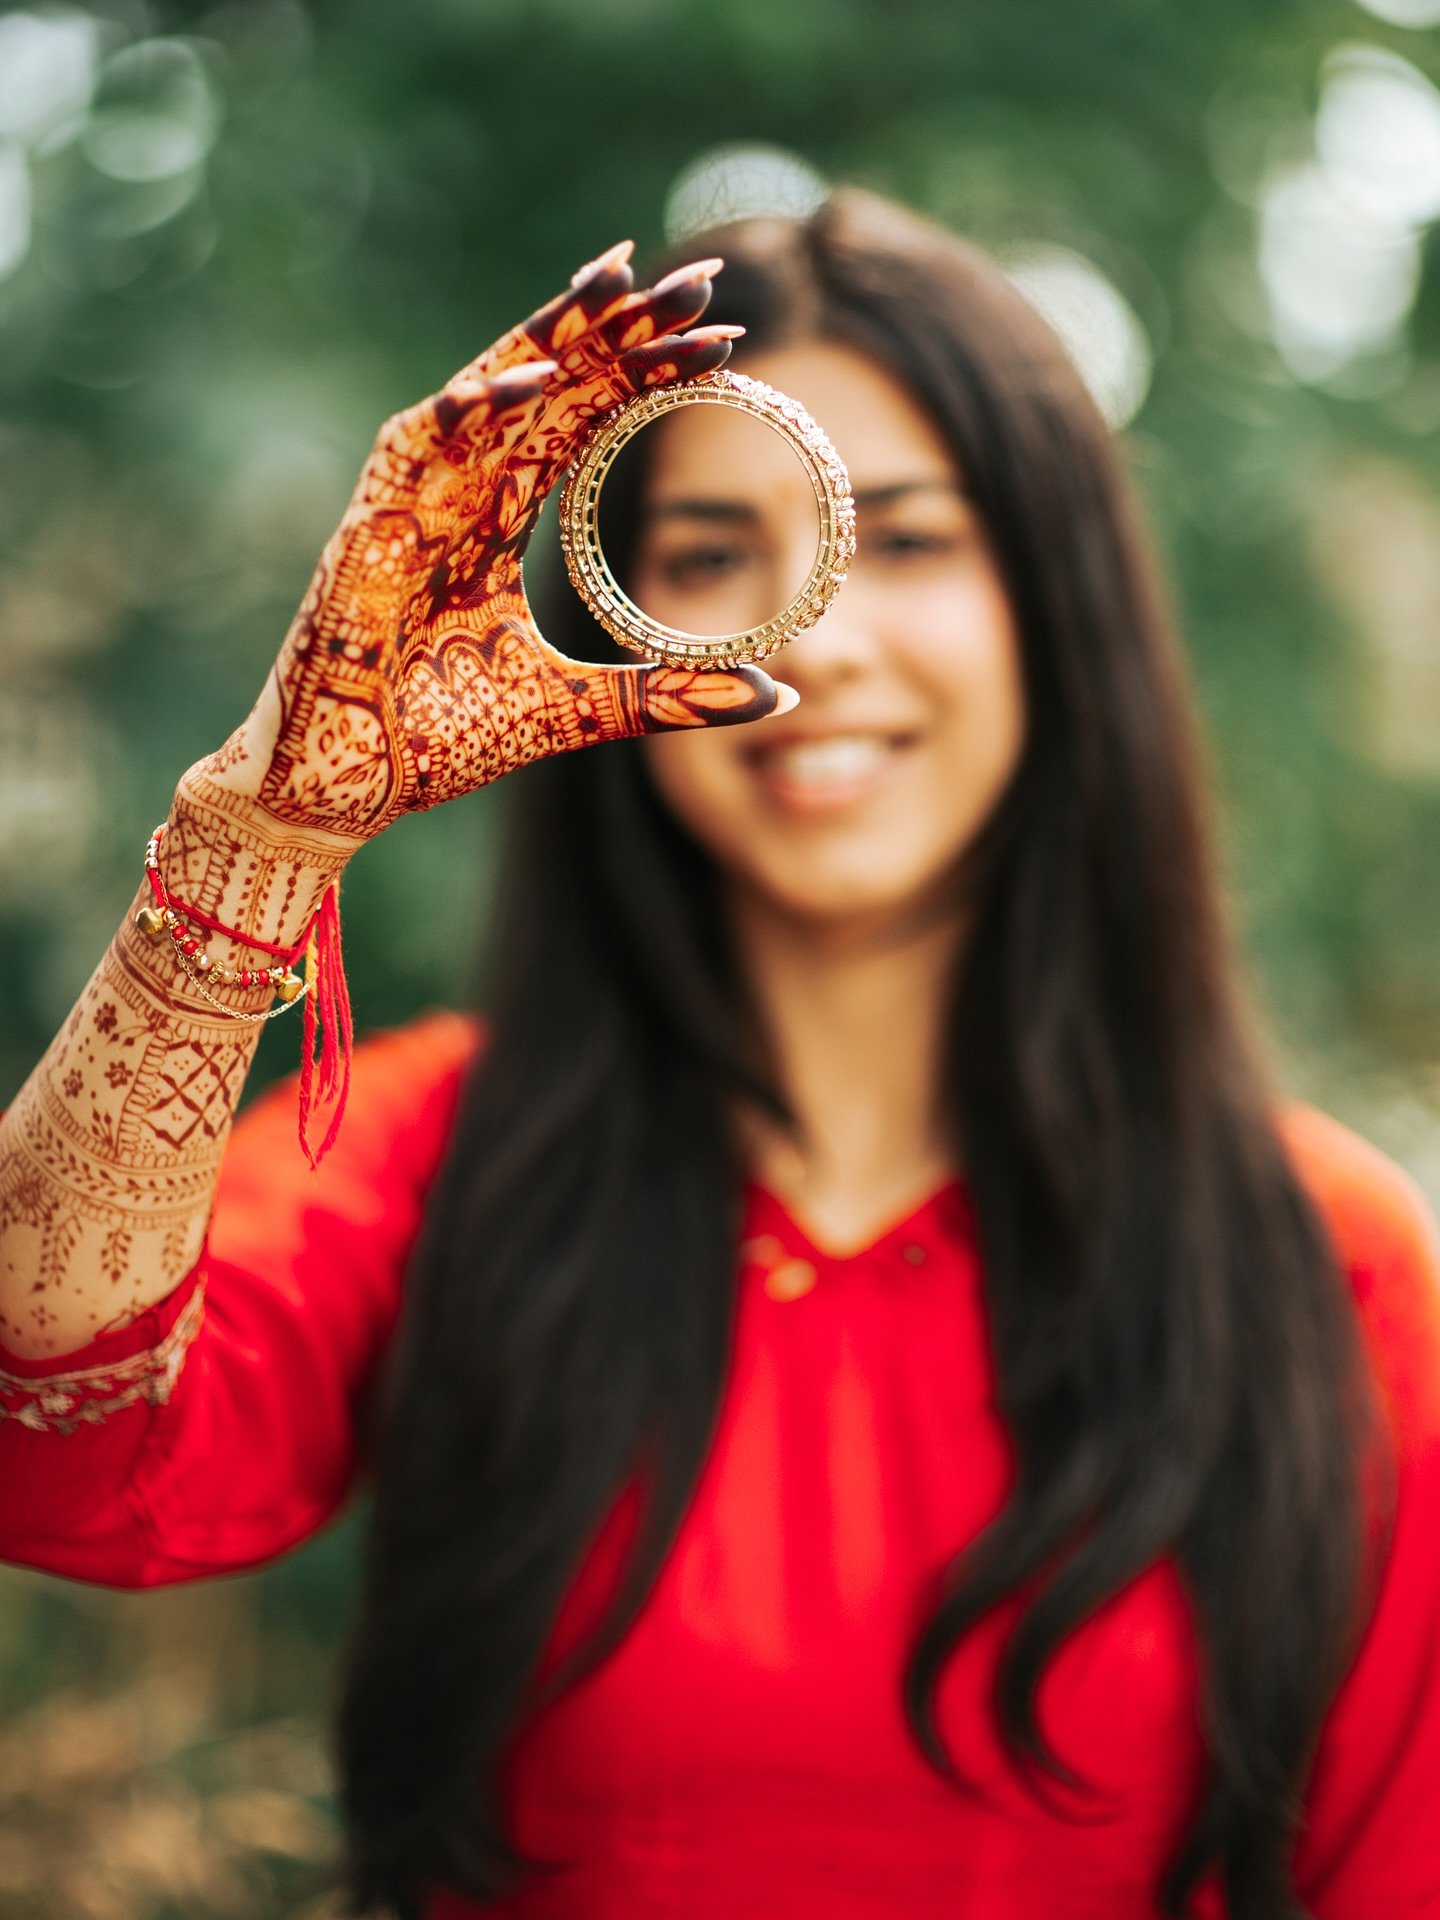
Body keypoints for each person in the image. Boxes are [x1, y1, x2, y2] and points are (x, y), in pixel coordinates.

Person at [0, 188, 1437, 1920]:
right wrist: (258, 837)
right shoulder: (432, 1154)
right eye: (702, 559)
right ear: (616, 635)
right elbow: (52, 1444)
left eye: (902, 540)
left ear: (1060, 608)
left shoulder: (1328, 1263)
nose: (813, 638)